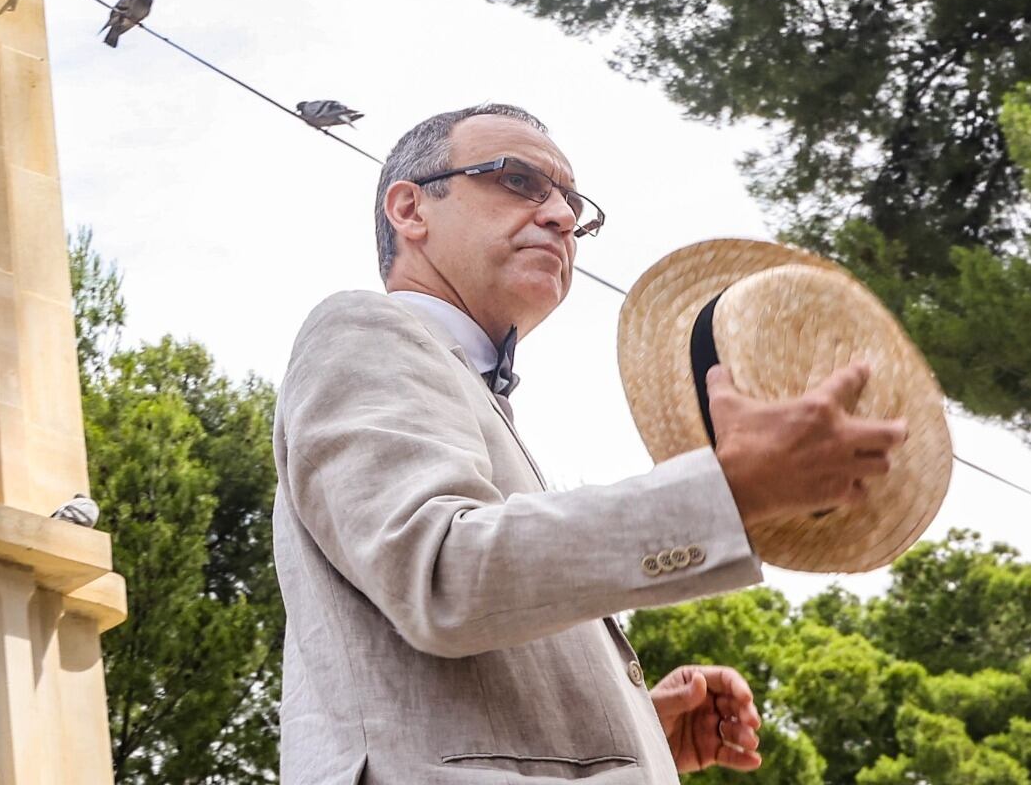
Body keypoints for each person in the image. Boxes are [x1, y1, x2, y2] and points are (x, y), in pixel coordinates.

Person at [272, 103, 908, 783]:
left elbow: (473, 610)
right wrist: (729, 491)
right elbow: (440, 573)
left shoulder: (471, 391)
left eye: (572, 202)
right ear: (410, 208)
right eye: (517, 180)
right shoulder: (364, 328)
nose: (561, 217)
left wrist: (632, 733)